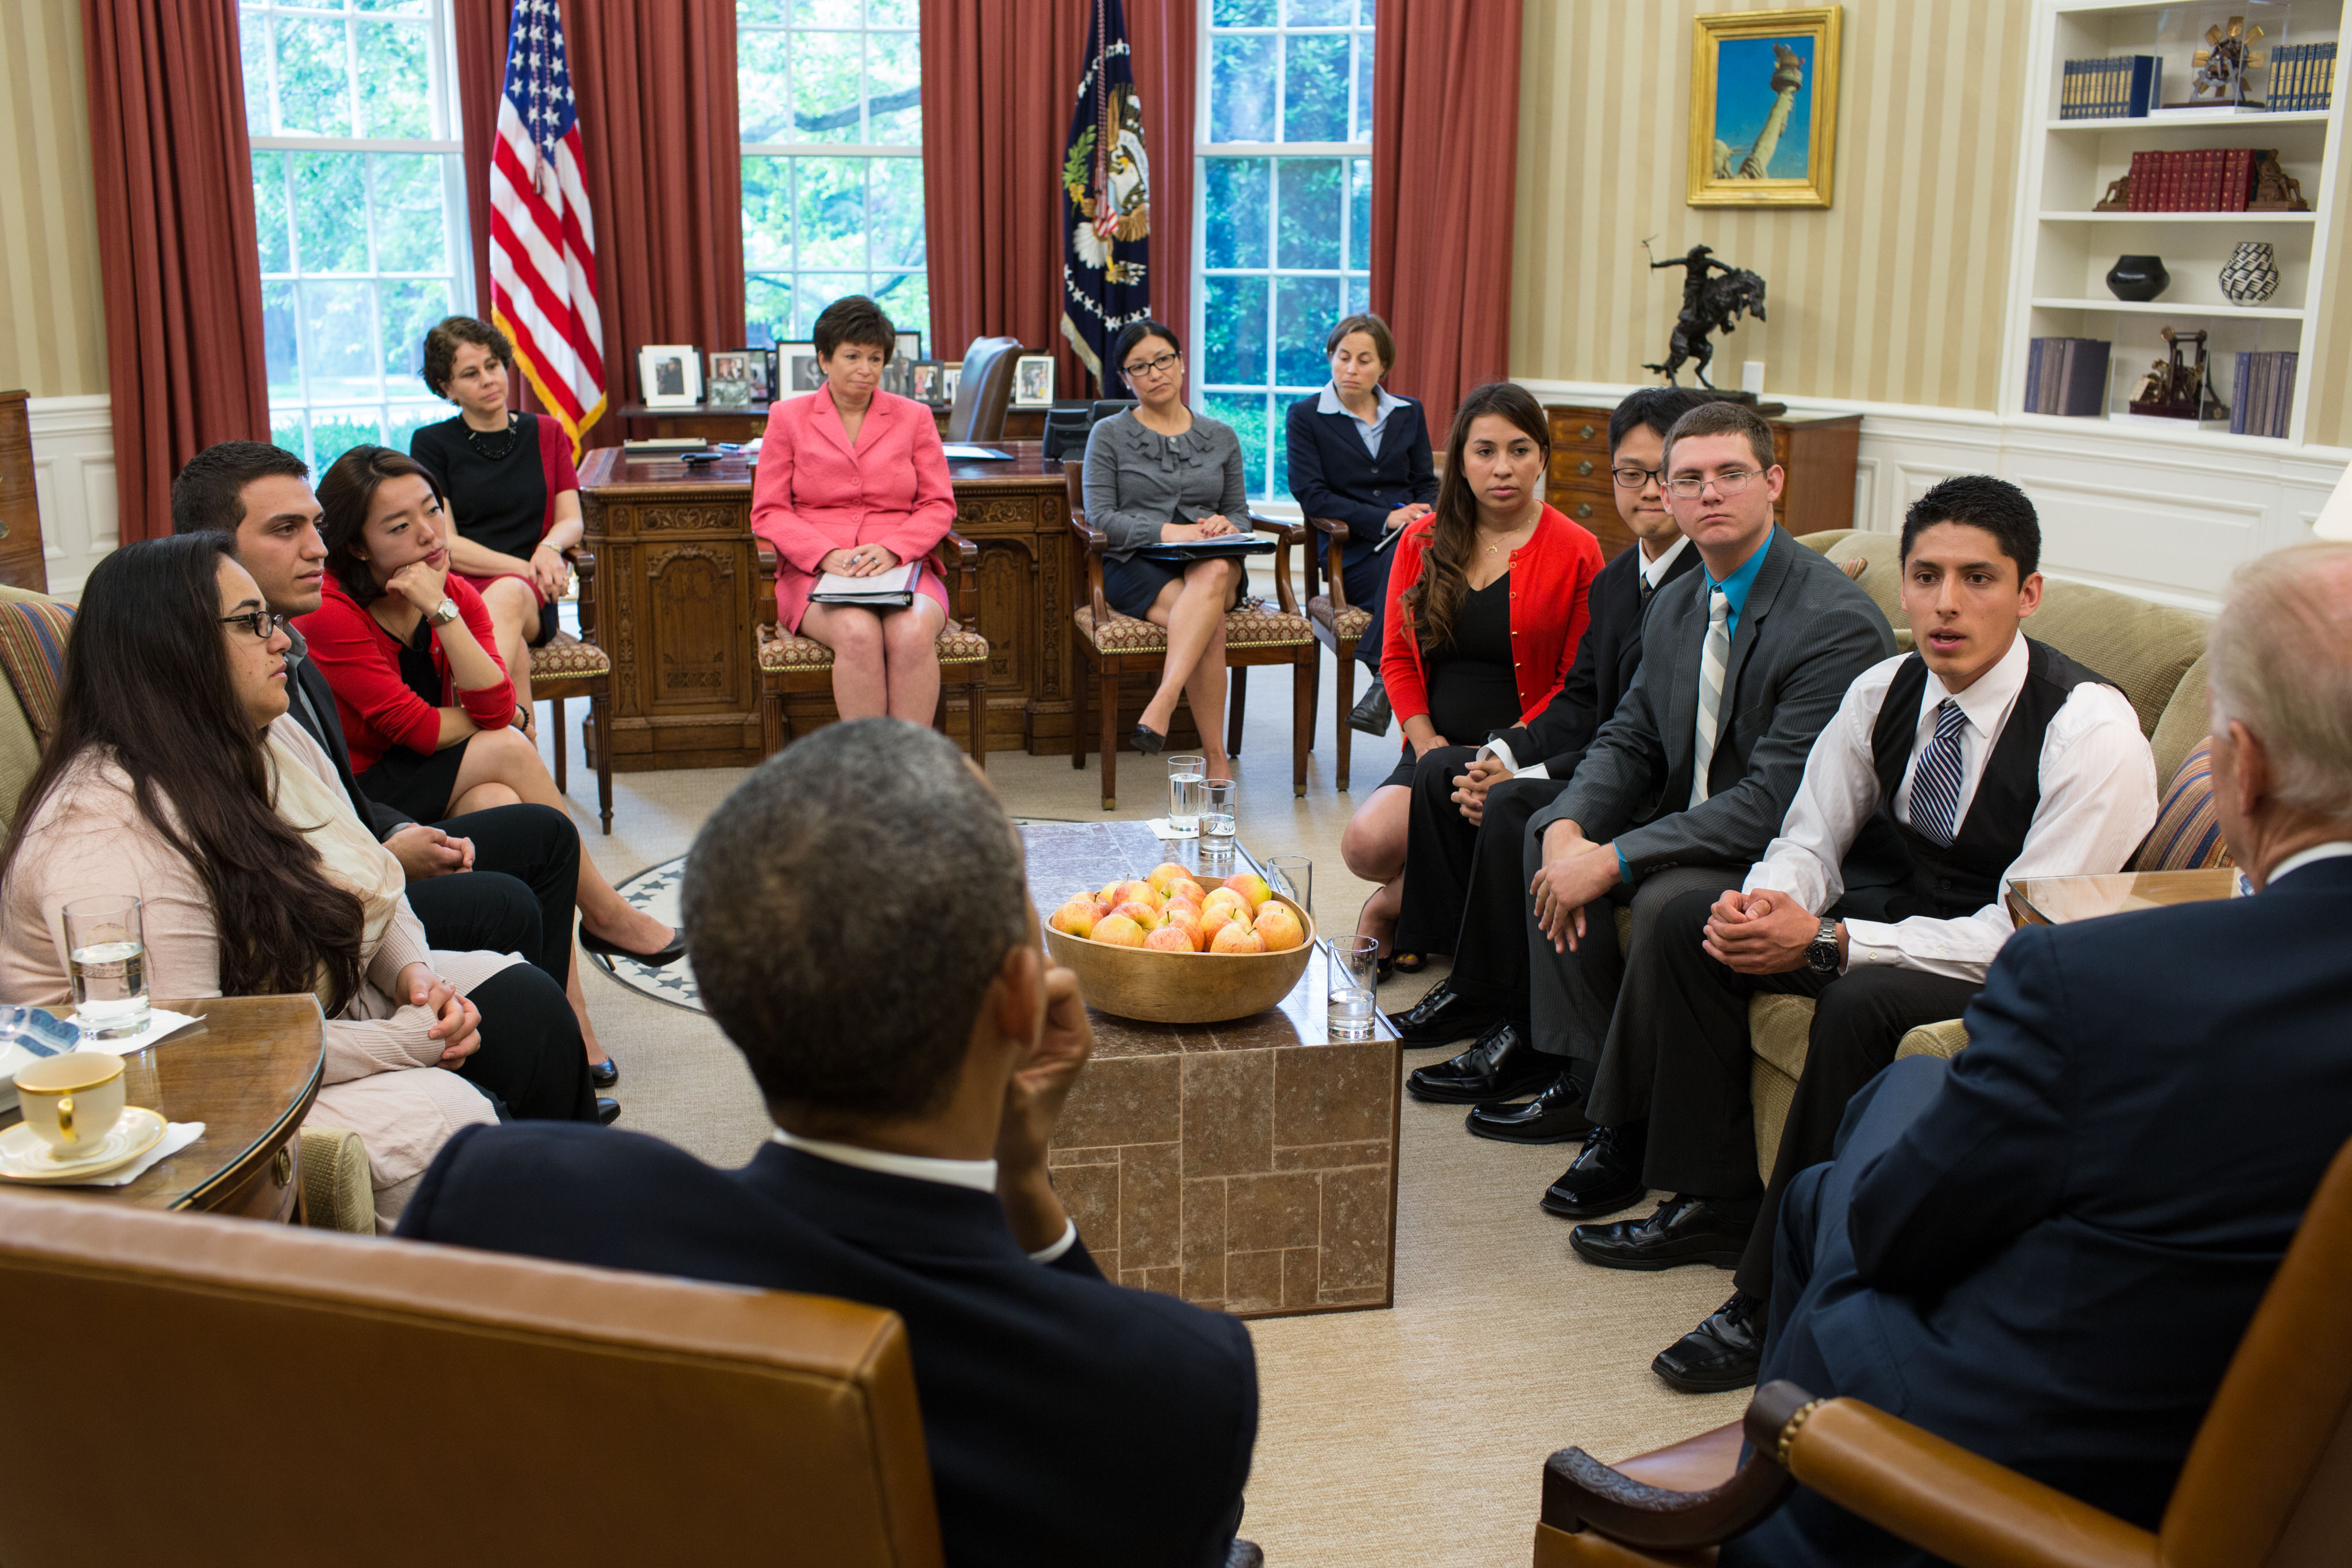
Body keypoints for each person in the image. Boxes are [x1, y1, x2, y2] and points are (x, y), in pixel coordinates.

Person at [397, 720, 1260, 1568]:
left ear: (729, 996)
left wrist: (1020, 1180)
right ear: (1022, 1003)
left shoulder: (502, 1197)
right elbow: (1108, 1404)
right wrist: (1026, 1193)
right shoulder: (1179, 1386)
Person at [1723, 541, 2352, 1568]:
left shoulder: (2098, 982)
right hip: (2298, 1467)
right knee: (1902, 1097)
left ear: (2242, 768)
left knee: (1832, 1197)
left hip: (2059, 1472)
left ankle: (1776, 1514)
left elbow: (1896, 1237)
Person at [1568, 477, 2158, 1396]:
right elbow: (1809, 835)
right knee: (1690, 917)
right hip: (1902, 904)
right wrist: (1765, 906)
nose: (1947, 604)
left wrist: (1837, 943)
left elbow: (2023, 927)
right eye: (1926, 577)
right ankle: (1715, 1197)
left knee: (1860, 997)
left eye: (1978, 579)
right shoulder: (1885, 686)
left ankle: (1775, 1299)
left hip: (2022, 954)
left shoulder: (2090, 728)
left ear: (2028, 593)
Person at [0, 535, 601, 1227]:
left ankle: (583, 1243)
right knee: (455, 1123)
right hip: (201, 1092)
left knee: (528, 1006)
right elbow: (199, 1046)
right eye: (253, 623)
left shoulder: (261, 733)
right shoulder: (109, 828)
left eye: (272, 620)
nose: (283, 641)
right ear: (174, 647)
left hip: (307, 991)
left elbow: (368, 873)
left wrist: (415, 980)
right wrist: (403, 1044)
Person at [1393, 401, 1892, 1161]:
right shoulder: (1683, 598)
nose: (1708, 493)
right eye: (1688, 478)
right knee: (1540, 822)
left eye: (1731, 474)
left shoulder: (1833, 618)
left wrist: (1611, 856)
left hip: (1781, 843)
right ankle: (1571, 1062)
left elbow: (1773, 800)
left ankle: (1620, 1126)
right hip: (1689, 810)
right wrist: (1571, 825)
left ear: (1774, 482)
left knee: (1657, 894)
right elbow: (1627, 734)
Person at [172, 440, 624, 1097]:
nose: (316, 549)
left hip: (377, 813)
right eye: (286, 529)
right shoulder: (285, 637)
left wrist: (442, 612)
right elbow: (417, 736)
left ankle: (562, 1029)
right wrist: (388, 843)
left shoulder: (294, 635)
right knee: (505, 782)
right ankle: (596, 943)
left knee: (529, 820)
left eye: (314, 527)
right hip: (351, 846)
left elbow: (482, 710)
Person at [301, 446, 684, 993]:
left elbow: (494, 708)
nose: (430, 535)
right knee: (504, 746)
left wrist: (441, 611)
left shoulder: (451, 592)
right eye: (399, 526)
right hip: (367, 796)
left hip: (432, 773)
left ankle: (565, 1010)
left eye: (433, 511)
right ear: (358, 545)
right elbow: (423, 729)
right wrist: (488, 719)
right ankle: (607, 915)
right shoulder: (331, 611)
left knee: (501, 803)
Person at [1385, 386, 1705, 986]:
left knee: (1501, 799)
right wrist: (1499, 753)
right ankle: (1445, 958)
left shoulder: (1694, 581)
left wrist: (1522, 774)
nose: (1648, 491)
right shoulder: (1619, 580)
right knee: (1440, 773)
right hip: (1584, 748)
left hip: (1641, 781)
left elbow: (1628, 732)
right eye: (1630, 473)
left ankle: (1484, 992)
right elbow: (1585, 699)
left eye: (1666, 475)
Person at [1340, 382, 1601, 970]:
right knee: (1365, 843)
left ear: (1542, 457)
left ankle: (1395, 907)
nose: (1502, 468)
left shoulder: (1578, 549)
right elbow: (1397, 658)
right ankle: (1427, 900)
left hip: (1522, 752)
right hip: (1431, 743)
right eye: (1484, 451)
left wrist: (1505, 755)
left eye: (1519, 450)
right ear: (1460, 459)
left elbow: (1573, 681)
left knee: (1483, 820)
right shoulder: (1422, 538)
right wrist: (1426, 740)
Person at [749, 295, 955, 727]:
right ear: (824, 359)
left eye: (876, 358)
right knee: (858, 633)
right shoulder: (787, 417)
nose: (866, 368)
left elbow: (938, 504)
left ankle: (907, 772)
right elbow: (769, 511)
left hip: (904, 566)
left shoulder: (914, 417)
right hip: (815, 572)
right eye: (853, 356)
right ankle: (867, 775)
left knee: (912, 631)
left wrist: (895, 549)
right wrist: (825, 554)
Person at [1082, 320, 1250, 776]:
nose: (1154, 372)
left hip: (1213, 563)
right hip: (1135, 564)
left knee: (1214, 571)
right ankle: (1216, 761)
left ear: (1180, 363)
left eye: (1163, 360)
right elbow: (1101, 517)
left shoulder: (1221, 435)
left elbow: (1240, 514)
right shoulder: (1108, 434)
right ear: (1125, 378)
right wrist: (1169, 532)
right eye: (1140, 366)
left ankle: (1164, 698)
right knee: (1208, 626)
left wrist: (1224, 524)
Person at [408, 316, 585, 730]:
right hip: (462, 590)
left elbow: (571, 520)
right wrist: (524, 566)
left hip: (530, 597)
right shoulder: (432, 443)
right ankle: (515, 747)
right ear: (446, 388)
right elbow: (447, 540)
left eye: (493, 365)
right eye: (470, 373)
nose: (489, 379)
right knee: (514, 657)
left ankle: (474, 723)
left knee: (506, 596)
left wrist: (547, 549)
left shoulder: (547, 431)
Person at [1283, 311, 1437, 737]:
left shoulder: (1409, 412)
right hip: (1348, 551)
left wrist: (1425, 513)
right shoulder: (1305, 416)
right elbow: (1313, 495)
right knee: (1422, 585)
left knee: (1417, 564)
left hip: (1416, 541)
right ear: (1330, 357)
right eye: (1343, 356)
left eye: (1364, 359)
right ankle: (1394, 685)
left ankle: (1383, 685)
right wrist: (1386, 519)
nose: (1351, 369)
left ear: (1384, 366)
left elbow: (1426, 482)